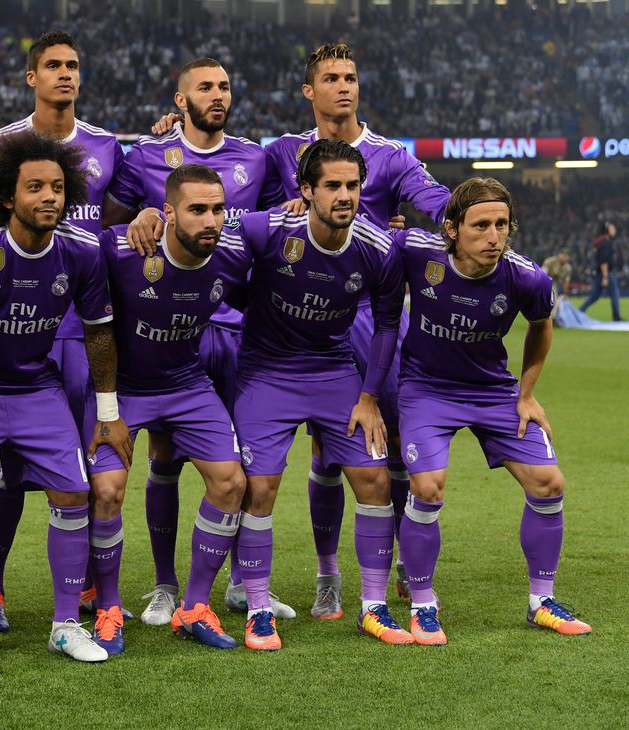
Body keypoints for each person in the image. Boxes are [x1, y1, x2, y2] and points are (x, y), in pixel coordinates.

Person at [0, 130, 131, 673]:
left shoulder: (81, 253)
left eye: (58, 188)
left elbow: (100, 333)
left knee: (73, 494)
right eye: (35, 187)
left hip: (36, 387)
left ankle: (66, 625)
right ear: (7, 196)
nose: (49, 197)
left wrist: (108, 414)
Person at [260, 43, 451, 615]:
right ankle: (327, 574)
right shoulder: (282, 154)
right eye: (331, 78)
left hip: (371, 314)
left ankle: (392, 559)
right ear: (309, 91)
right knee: (324, 451)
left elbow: (435, 198)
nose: (344, 87)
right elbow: (229, 189)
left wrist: (468, 212)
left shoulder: (390, 156)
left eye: (351, 77)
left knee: (385, 443)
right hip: (301, 317)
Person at [102, 56, 291, 625]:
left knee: (239, 466)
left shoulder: (254, 158)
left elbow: (271, 229)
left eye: (225, 86)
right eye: (205, 87)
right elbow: (111, 224)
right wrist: (140, 213)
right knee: (161, 456)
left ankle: (239, 582)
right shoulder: (144, 154)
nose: (218, 94)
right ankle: (164, 585)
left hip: (228, 325)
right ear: (180, 100)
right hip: (157, 330)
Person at [229, 139, 411, 650]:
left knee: (375, 481)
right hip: (266, 373)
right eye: (332, 185)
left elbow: (388, 324)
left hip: (334, 373)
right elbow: (207, 240)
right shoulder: (267, 229)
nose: (345, 195)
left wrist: (369, 396)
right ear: (305, 190)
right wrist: (154, 216)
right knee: (259, 489)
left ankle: (373, 607)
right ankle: (258, 608)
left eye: (353, 185)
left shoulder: (377, 247)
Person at [394, 177, 592, 644]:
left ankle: (541, 602)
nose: (494, 235)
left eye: (502, 224)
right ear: (452, 228)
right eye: (481, 224)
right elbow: (364, 237)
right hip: (426, 389)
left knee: (549, 483)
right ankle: (422, 604)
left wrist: (527, 393)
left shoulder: (528, 277)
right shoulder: (419, 253)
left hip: (492, 391)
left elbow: (541, 327)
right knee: (428, 487)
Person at [0, 30, 126, 632]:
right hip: (22, 332)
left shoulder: (109, 147)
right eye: (53, 66)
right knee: (12, 470)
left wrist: (141, 213)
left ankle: (88, 583)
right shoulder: (0, 148)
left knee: (89, 466)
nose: (65, 75)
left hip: (89, 331)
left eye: (73, 66)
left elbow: (127, 211)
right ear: (30, 78)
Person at [89, 164, 249, 654]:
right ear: (169, 213)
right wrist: (108, 407)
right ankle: (108, 606)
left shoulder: (233, 257)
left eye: (218, 209)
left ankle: (194, 606)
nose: (210, 221)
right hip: (124, 388)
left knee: (231, 482)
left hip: (186, 383)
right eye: (197, 209)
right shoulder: (122, 249)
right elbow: (93, 326)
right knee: (108, 490)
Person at [579, 222, 621, 321]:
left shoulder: (601, 243)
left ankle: (579, 312)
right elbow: (604, 262)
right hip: (606, 273)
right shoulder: (605, 243)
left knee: (594, 296)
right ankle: (617, 318)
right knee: (614, 294)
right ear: (607, 230)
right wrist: (605, 277)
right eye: (612, 228)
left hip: (599, 273)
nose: (614, 230)